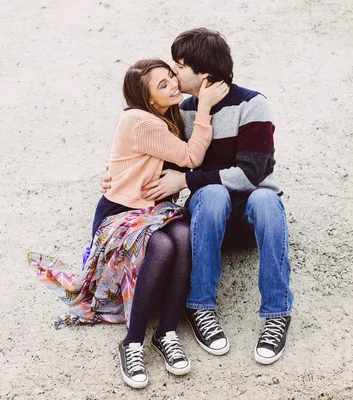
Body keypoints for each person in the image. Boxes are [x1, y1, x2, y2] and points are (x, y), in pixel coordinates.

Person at [28, 58, 229, 389]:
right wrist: (205, 107)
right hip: (120, 214)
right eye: (162, 85)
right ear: (148, 99)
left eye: (171, 78)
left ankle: (166, 334)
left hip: (152, 211)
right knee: (164, 244)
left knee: (182, 235)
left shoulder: (163, 116)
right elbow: (192, 157)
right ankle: (132, 342)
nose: (173, 85)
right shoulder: (143, 122)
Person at [103, 28, 294, 365]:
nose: (174, 75)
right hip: (207, 218)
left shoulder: (253, 104)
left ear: (203, 73)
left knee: (265, 198)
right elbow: (154, 152)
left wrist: (187, 179)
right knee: (214, 194)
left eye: (179, 66)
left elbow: (251, 175)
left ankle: (277, 314)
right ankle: (201, 307)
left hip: (249, 218)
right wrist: (115, 176)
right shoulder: (184, 110)